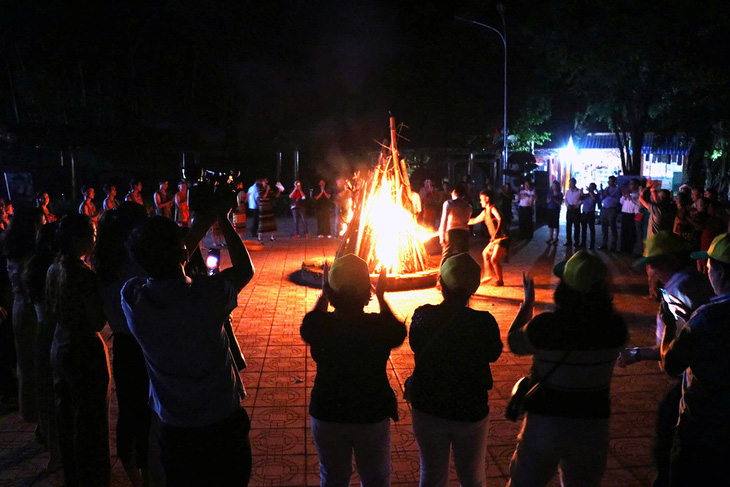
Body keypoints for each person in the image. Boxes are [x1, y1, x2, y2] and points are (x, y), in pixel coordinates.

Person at [122, 207, 255, 486]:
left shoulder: (133, 300)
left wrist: (197, 230)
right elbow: (245, 270)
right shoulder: (209, 294)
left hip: (175, 426)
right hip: (222, 419)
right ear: (183, 254)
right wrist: (221, 217)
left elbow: (154, 264)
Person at [507, 251, 629, 486]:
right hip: (592, 424)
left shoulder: (546, 327)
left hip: (545, 423)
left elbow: (514, 343)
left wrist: (527, 306)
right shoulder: (616, 329)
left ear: (566, 289)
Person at [301, 254, 406, 487]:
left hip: (328, 413)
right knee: (376, 479)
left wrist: (324, 295)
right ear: (366, 290)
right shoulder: (377, 327)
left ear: (332, 291)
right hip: (371, 415)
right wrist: (381, 296)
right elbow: (397, 331)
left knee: (332, 478)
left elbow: (309, 325)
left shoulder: (322, 327)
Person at [618, 231, 713, 487]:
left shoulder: (682, 290)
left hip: (695, 380)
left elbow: (679, 348)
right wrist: (638, 353)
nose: (649, 269)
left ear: (668, 261)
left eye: (653, 263)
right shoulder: (683, 285)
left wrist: (642, 353)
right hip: (690, 376)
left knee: (674, 437)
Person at [408, 253, 502, 487]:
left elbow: (415, 345)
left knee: (431, 475)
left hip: (428, 407)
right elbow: (493, 353)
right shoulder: (484, 322)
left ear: (441, 283)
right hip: (470, 409)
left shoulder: (423, 316)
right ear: (474, 287)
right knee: (472, 478)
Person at [660, 233, 730, 485]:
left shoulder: (707, 318)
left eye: (709, 267)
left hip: (701, 426)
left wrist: (670, 324)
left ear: (721, 272)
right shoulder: (704, 317)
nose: (706, 272)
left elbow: (671, 363)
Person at [46, 214, 111, 487]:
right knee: (91, 418)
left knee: (67, 415)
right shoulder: (84, 275)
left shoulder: (53, 269)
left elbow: (50, 310)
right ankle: (93, 475)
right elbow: (97, 320)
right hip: (84, 348)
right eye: (91, 233)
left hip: (60, 345)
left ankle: (73, 474)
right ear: (77, 240)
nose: (95, 238)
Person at [93, 203, 150, 487]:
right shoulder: (135, 261)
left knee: (129, 411)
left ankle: (134, 476)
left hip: (124, 346)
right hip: (144, 344)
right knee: (148, 411)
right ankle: (147, 472)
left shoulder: (102, 261)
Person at [23, 222, 62, 472]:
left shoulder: (32, 267)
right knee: (61, 395)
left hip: (41, 333)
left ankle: (54, 451)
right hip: (57, 334)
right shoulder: (55, 269)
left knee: (47, 395)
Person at [3, 207, 44, 425]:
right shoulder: (31, 255)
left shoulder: (12, 249)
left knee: (27, 362)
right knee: (35, 362)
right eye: (40, 222)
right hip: (30, 309)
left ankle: (31, 412)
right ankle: (38, 414)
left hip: (20, 308)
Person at [468, 190, 508, 286]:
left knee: (494, 259)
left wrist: (496, 233)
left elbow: (500, 219)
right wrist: (460, 221)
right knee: (485, 253)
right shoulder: (485, 212)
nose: (480, 201)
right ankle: (488, 274)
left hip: (502, 238)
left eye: (481, 199)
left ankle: (499, 280)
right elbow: (474, 220)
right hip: (495, 240)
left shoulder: (492, 208)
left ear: (487, 199)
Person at [438, 184, 472, 265]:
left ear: (454, 192)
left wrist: (441, 235)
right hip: (464, 232)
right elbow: (467, 220)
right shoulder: (468, 206)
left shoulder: (448, 203)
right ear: (463, 195)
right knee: (464, 255)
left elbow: (444, 220)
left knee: (446, 255)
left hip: (451, 232)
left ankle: (441, 276)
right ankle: (464, 275)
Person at [619, 179, 641, 254]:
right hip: (624, 214)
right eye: (630, 184)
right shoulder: (627, 193)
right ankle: (623, 248)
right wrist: (625, 196)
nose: (630, 186)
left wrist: (630, 197)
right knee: (623, 232)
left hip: (631, 215)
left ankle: (629, 249)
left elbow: (638, 205)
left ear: (636, 185)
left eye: (632, 184)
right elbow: (621, 202)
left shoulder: (638, 195)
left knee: (630, 232)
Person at [599, 175, 621, 251]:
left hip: (612, 209)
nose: (609, 182)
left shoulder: (617, 189)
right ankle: (604, 244)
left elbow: (617, 200)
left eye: (610, 181)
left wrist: (609, 195)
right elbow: (602, 198)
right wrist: (602, 193)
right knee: (604, 227)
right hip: (604, 209)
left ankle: (613, 246)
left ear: (614, 181)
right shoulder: (607, 189)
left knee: (612, 227)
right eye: (608, 180)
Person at [578, 183, 598, 249]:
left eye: (591, 187)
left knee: (592, 229)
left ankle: (592, 244)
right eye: (590, 187)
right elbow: (579, 198)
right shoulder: (586, 195)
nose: (590, 188)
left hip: (590, 213)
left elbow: (594, 198)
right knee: (583, 229)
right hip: (584, 213)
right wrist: (580, 192)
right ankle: (583, 242)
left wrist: (590, 191)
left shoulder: (594, 195)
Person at [564, 178, 582, 246]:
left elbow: (582, 200)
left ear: (575, 183)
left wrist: (576, 205)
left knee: (576, 226)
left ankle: (576, 241)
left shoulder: (579, 191)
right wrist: (568, 205)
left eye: (572, 183)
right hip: (569, 209)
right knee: (568, 225)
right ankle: (568, 240)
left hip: (576, 210)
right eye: (570, 183)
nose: (571, 184)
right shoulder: (568, 191)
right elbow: (566, 199)